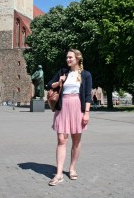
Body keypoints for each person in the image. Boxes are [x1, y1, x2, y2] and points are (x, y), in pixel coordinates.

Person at [46, 49, 92, 186]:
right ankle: (59, 174)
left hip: (78, 108)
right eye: (67, 57)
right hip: (63, 107)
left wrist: (87, 113)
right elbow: (49, 85)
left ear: (78, 58)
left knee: (76, 141)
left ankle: (72, 168)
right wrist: (58, 82)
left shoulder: (86, 75)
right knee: (61, 140)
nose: (68, 60)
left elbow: (88, 95)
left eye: (70, 57)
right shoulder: (62, 72)